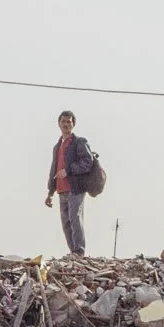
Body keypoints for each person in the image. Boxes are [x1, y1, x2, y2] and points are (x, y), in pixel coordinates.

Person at [43, 109, 94, 256]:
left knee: (75, 218)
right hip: (61, 189)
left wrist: (68, 170)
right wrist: (50, 192)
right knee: (66, 223)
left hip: (76, 188)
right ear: (59, 124)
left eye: (69, 122)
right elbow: (54, 169)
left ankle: (79, 252)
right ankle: (73, 253)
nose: (66, 124)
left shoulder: (79, 142)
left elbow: (88, 162)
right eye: (63, 121)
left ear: (73, 124)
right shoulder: (57, 146)